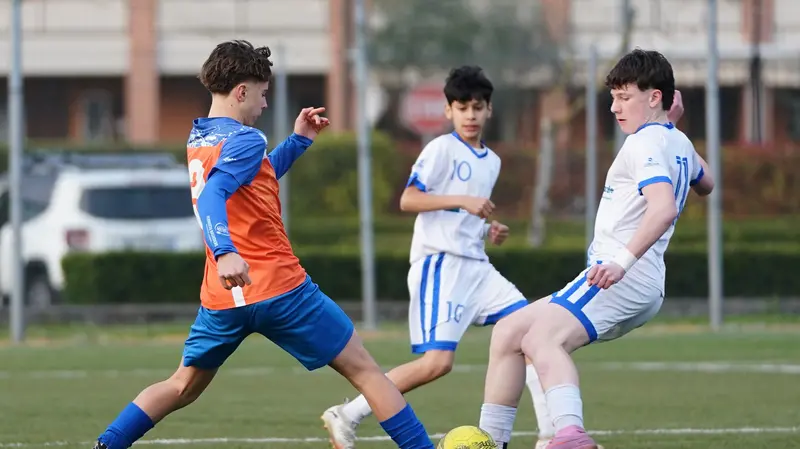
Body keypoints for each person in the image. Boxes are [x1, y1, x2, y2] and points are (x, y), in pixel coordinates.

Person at [91, 40, 435, 449]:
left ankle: (106, 444)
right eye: (262, 93)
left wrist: (299, 140)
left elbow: (256, 178)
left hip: (223, 298)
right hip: (278, 286)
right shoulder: (247, 137)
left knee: (182, 385)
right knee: (366, 372)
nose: (265, 104)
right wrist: (226, 251)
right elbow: (215, 194)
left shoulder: (200, 139)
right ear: (241, 91)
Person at [476, 49, 711, 449]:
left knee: (540, 340)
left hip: (621, 276)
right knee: (509, 331)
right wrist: (670, 126)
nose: (614, 107)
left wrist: (621, 262)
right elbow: (706, 183)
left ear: (654, 97)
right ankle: (491, 441)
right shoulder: (675, 140)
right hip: (640, 280)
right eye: (613, 97)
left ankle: (570, 437)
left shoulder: (644, 144)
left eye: (624, 97)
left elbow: (664, 208)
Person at [321, 65, 549, 448]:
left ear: (489, 110)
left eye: (477, 107)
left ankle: (551, 436)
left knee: (532, 336)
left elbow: (467, 214)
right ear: (449, 112)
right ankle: (347, 413)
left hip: (477, 266)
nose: (471, 115)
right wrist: (463, 201)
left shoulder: (491, 160)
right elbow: (409, 199)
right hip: (440, 265)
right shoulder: (441, 149)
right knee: (436, 364)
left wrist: (488, 229)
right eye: (462, 108)